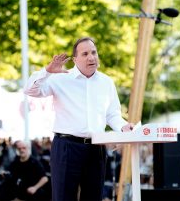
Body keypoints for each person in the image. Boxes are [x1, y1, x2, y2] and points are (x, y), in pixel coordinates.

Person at [24, 37, 134, 201]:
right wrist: (47, 71)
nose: (91, 57)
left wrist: (123, 127)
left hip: (96, 148)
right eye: (85, 54)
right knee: (63, 197)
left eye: (94, 52)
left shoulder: (106, 82)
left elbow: (112, 114)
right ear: (75, 59)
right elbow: (30, 90)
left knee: (94, 196)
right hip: (67, 147)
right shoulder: (60, 77)